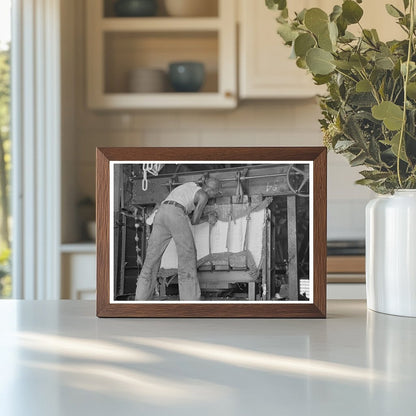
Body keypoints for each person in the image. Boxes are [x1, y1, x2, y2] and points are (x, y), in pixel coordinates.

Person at [135, 178, 221, 301]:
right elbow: (194, 221)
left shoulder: (190, 184)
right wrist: (208, 217)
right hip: (175, 213)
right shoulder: (203, 195)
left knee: (151, 259)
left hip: (161, 212)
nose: (214, 196)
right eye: (216, 193)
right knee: (187, 256)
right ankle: (190, 301)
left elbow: (186, 206)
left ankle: (140, 299)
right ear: (211, 190)